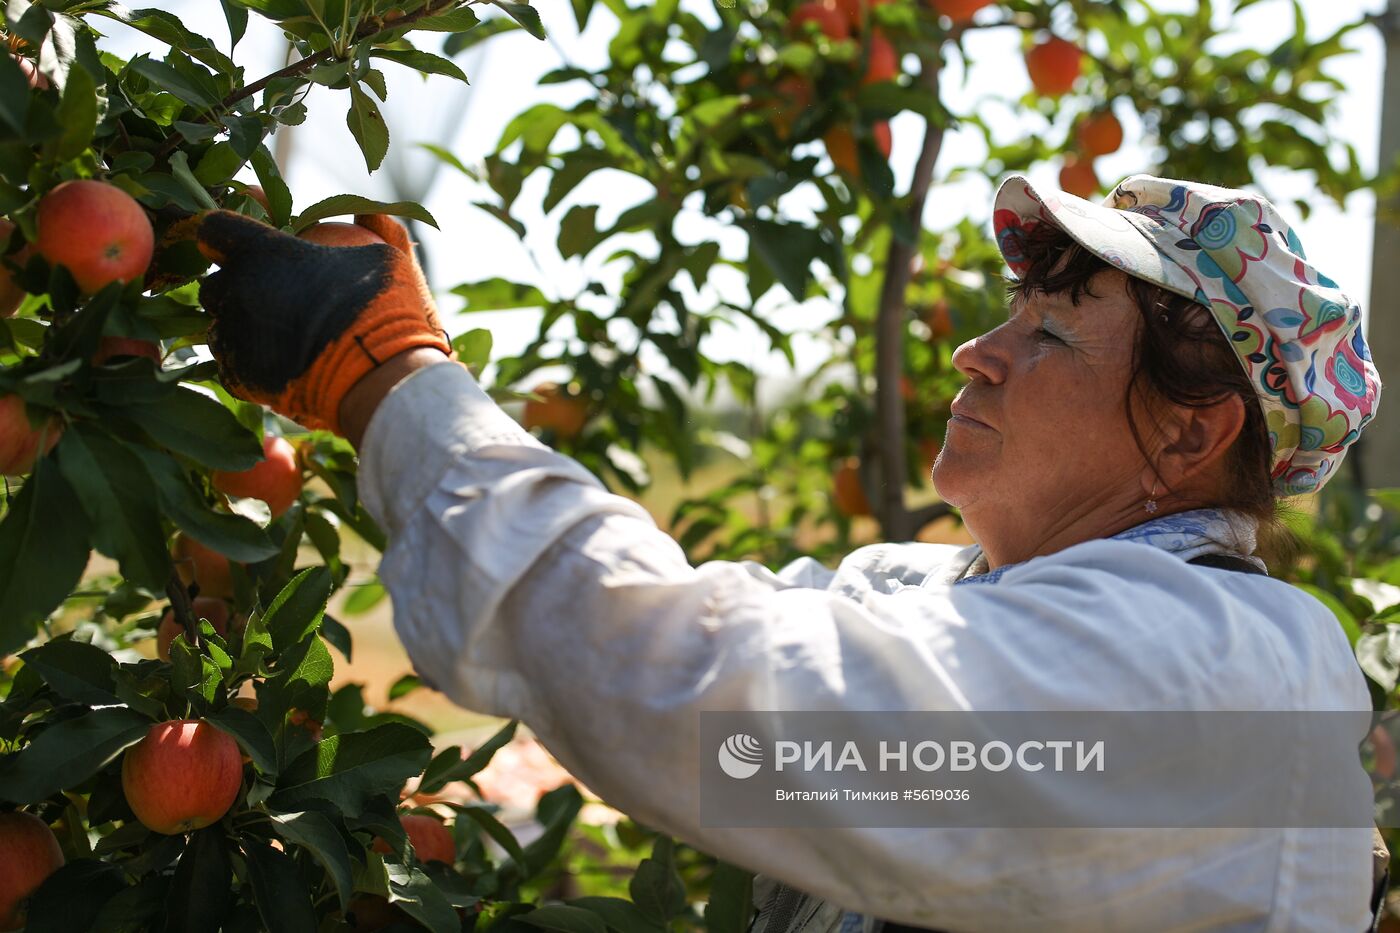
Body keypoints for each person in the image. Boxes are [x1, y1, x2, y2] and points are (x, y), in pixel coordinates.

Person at [193, 173, 1384, 931]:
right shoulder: (965, 599)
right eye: (1008, 315)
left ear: (1189, 431)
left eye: (1054, 334)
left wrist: (389, 379)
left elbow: (711, 701)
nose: (974, 350)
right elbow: (722, 630)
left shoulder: (1214, 669)